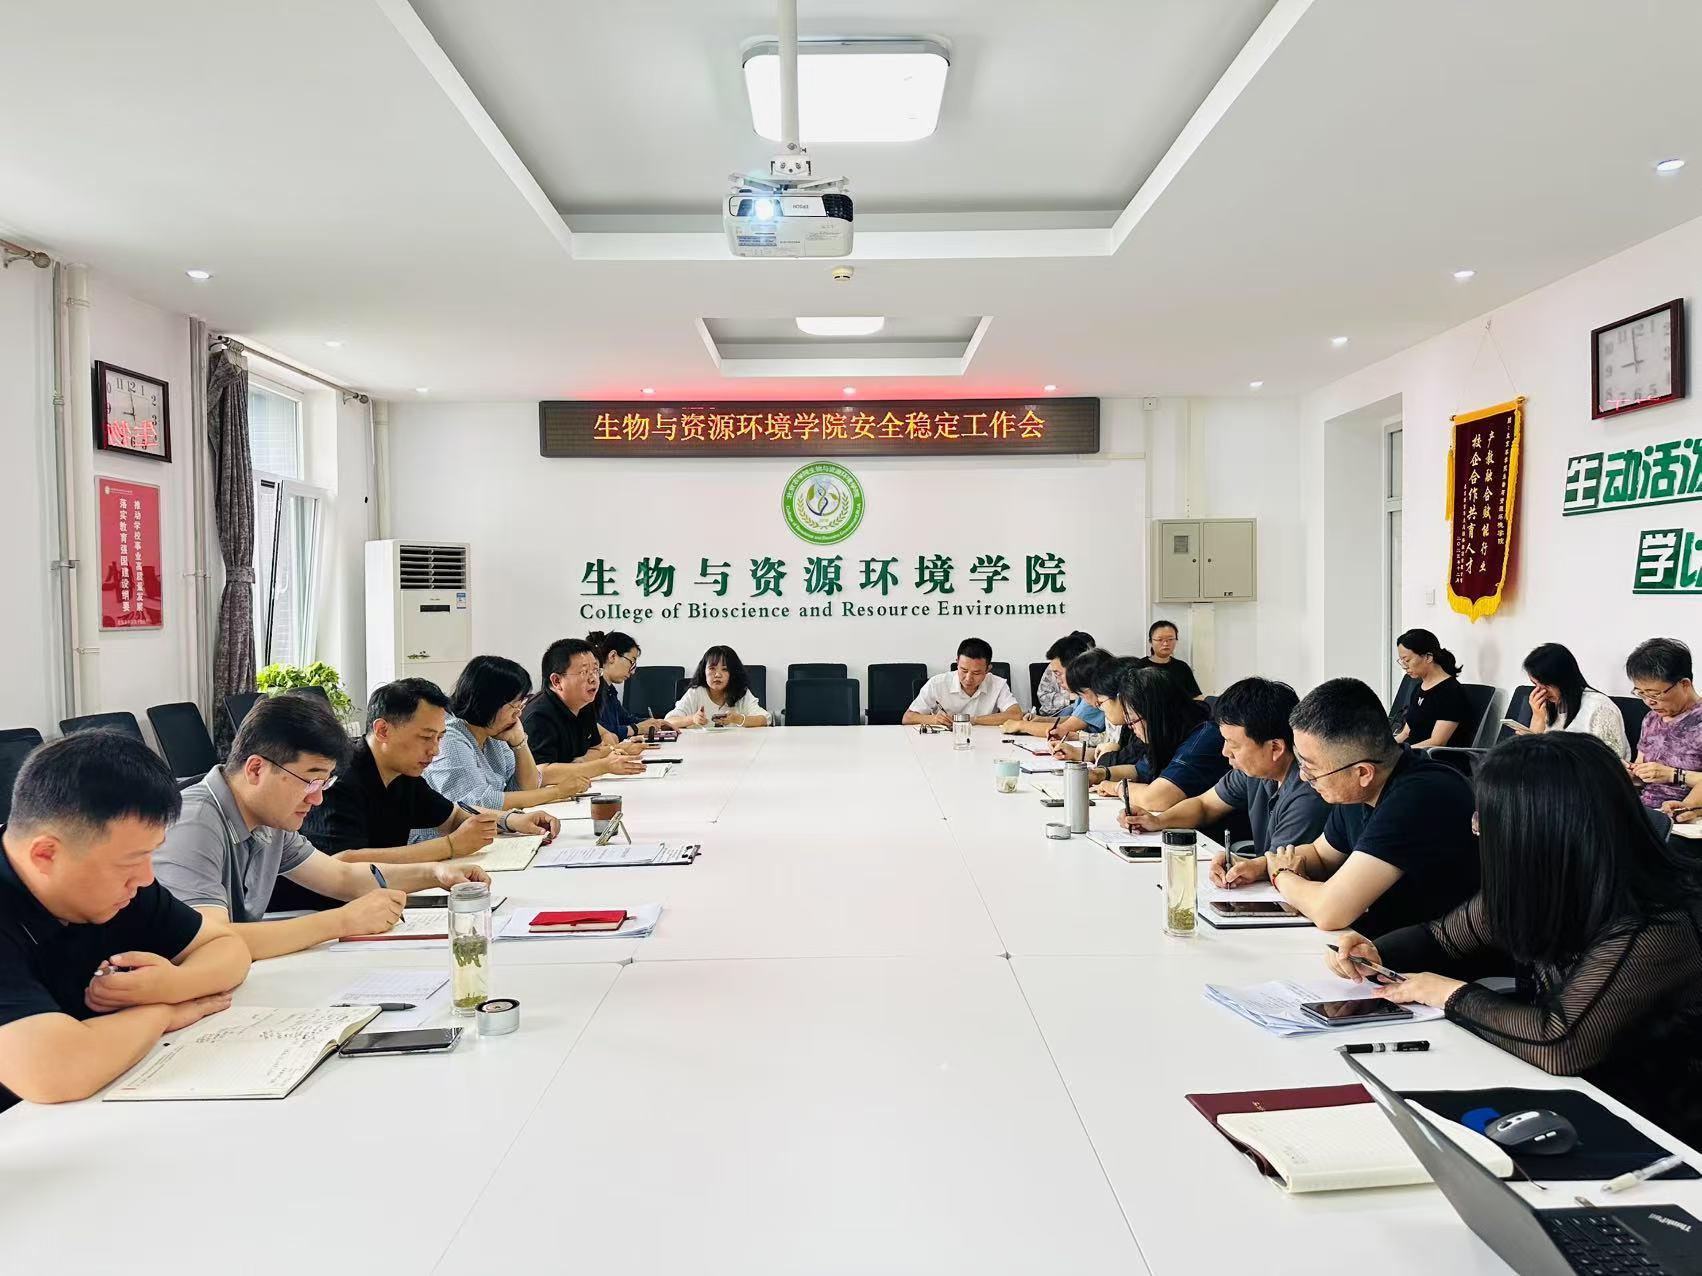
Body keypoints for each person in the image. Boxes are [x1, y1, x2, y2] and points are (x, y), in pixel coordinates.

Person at [1328, 733, 1702, 1144]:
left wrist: (1449, 994)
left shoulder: (1659, 927)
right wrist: (1376, 952)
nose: (1477, 830)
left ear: (1538, 833)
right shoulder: (1543, 888)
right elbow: (1442, 938)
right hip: (1558, 1096)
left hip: (1653, 1128)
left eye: (1485, 819)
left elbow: (1561, 1042)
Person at [0, 732, 251, 1108]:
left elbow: (228, 948)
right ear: (45, 855)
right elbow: (56, 1072)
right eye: (132, 861)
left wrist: (172, 983)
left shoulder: (121, 884)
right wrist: (160, 1012)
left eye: (150, 855)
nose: (146, 878)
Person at [153, 692, 498, 961]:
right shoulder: (193, 822)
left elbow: (341, 876)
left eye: (324, 784)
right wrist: (343, 921)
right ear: (256, 769)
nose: (317, 799)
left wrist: (436, 873)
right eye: (310, 781)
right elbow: (210, 941)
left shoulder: (271, 820)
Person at [1221, 677, 1478, 933]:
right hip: (1378, 940)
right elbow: (1321, 855)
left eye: (1311, 768)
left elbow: (1329, 911)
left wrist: (1282, 875)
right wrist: (1257, 866)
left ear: (1362, 772)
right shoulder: (1360, 786)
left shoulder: (1419, 796)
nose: (1303, 777)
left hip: (1433, 947)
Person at [303, 677, 560, 870]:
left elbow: (454, 816)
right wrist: (449, 846)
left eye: (439, 738)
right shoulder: (338, 778)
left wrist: (512, 821)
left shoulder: (403, 774)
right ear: (383, 730)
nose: (435, 751)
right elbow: (341, 862)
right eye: (426, 738)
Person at [1121, 677, 1329, 863]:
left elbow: (1279, 869)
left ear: (1275, 748)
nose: (1225, 752)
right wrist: (1158, 820)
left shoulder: (1307, 794)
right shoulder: (1255, 772)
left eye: (1234, 745)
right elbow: (1204, 805)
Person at [423, 655, 596, 814]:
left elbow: (526, 788)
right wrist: (556, 792)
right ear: (489, 702)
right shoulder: (450, 737)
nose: (518, 713)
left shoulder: (494, 734)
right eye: (515, 705)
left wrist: (519, 742)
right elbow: (478, 803)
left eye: (521, 705)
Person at [1090, 664, 1227, 808]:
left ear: (1154, 715)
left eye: (1133, 720)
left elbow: (1155, 799)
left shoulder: (1203, 738)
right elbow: (1139, 770)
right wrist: (1099, 774)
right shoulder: (1171, 732)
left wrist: (1115, 787)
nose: (1131, 727)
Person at [522, 638, 651, 771]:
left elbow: (597, 749)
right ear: (557, 681)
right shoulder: (539, 716)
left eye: (595, 671)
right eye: (584, 672)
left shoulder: (583, 704)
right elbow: (541, 773)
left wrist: (581, 762)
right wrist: (603, 766)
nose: (594, 679)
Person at [1505, 642, 1629, 760]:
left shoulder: (1599, 708)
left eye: (1546, 685)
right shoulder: (1546, 707)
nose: (1541, 691)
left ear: (1563, 679)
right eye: (1535, 684)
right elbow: (1533, 758)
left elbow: (1611, 761)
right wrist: (1537, 719)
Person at [1626, 637, 1702, 811]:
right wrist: (1632, 774)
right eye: (1641, 693)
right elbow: (1641, 773)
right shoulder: (1651, 719)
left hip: (1685, 814)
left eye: (1654, 694)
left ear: (1684, 684)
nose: (1649, 702)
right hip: (1645, 810)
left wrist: (1673, 775)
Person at [904, 638, 1022, 727]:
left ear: (988, 669)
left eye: (976, 673)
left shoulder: (998, 684)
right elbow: (907, 717)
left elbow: (1016, 715)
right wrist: (934, 719)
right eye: (964, 670)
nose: (968, 678)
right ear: (957, 663)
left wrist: (973, 720)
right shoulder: (937, 683)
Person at [1009, 643, 1109, 740]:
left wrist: (1020, 725)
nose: (1058, 681)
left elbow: (1065, 728)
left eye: (1058, 674)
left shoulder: (1093, 693)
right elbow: (1074, 718)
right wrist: (1041, 719)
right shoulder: (1083, 692)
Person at [1392, 627, 1470, 748]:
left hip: (1432, 756)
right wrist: (1385, 749)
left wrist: (1399, 753)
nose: (1404, 666)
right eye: (1401, 661)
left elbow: (1437, 742)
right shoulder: (1418, 689)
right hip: (1411, 753)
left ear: (1428, 657)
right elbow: (1406, 733)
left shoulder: (1451, 692)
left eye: (1407, 660)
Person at [589, 630, 666, 740]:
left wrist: (655, 723)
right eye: (631, 662)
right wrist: (635, 729)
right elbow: (601, 731)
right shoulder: (592, 690)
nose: (633, 671)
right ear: (613, 656)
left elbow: (625, 719)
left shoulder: (610, 690)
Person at [667, 645, 770, 728]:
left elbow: (766, 719)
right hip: (702, 746)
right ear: (704, 671)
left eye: (724, 669)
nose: (717, 675)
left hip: (735, 745)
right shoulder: (696, 693)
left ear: (733, 673)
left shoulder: (741, 693)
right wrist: (692, 719)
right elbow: (669, 721)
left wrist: (738, 719)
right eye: (712, 668)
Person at [1031, 630, 1095, 718]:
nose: (1058, 680)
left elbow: (1074, 723)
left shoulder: (1095, 692)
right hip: (1057, 711)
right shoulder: (1056, 666)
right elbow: (1043, 696)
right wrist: (1069, 698)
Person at [1138, 620, 1204, 700]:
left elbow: (1197, 696)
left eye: (1170, 639)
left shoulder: (1182, 667)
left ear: (1176, 640)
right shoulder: (1139, 667)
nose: (1165, 643)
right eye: (1160, 639)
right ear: (1151, 642)